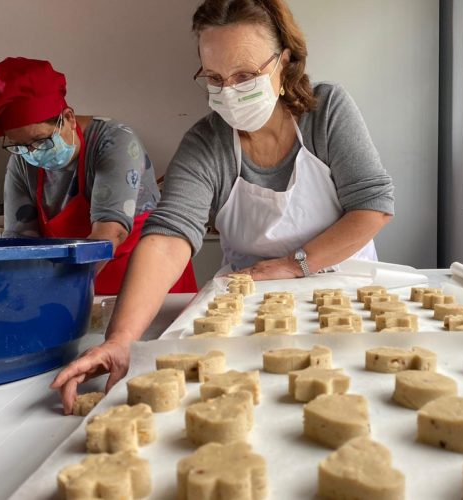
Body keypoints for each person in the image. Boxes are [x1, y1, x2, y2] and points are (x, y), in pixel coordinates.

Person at [51, 0, 395, 413]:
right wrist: (122, 341)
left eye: (245, 76)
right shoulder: (207, 143)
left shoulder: (326, 112)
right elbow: (168, 238)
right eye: (215, 79)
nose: (229, 92)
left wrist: (292, 263)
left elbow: (372, 206)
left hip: (343, 291)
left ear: (284, 63)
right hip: (245, 310)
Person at [0, 57, 198, 294]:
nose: (31, 152)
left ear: (69, 118)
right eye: (20, 145)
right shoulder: (22, 161)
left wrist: (67, 293)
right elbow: (20, 241)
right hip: (76, 288)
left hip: (146, 283)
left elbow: (110, 232)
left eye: (40, 140)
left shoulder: (114, 141)